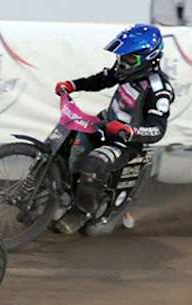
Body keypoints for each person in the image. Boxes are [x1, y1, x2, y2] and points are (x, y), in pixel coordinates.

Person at [54, 23, 174, 233]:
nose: (122, 64)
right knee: (69, 135)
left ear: (150, 58)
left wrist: (130, 131)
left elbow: (157, 129)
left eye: (129, 59)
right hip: (105, 125)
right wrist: (73, 84)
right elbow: (101, 79)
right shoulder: (126, 72)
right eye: (121, 58)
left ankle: (81, 213)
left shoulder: (159, 90)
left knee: (95, 161)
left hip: (127, 142)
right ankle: (58, 191)